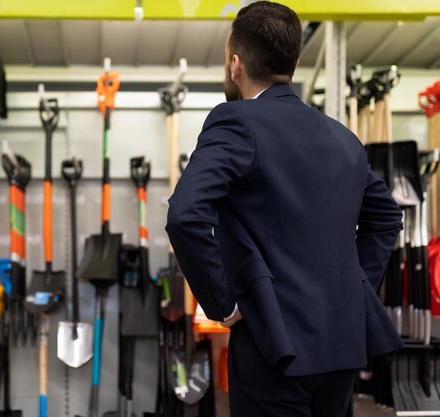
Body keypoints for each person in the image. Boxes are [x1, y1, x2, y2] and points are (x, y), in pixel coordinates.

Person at [165, 2, 404, 416]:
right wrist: (351, 286)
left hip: (274, 346)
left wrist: (223, 304)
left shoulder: (235, 122)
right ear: (293, 62)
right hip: (340, 347)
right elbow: (386, 216)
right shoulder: (342, 139)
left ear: (235, 65)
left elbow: (185, 214)